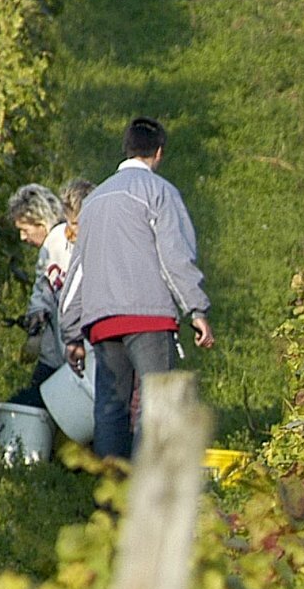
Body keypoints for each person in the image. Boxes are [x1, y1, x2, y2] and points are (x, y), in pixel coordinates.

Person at [61, 118, 214, 460]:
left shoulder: (94, 201)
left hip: (102, 321)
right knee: (156, 403)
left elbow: (78, 273)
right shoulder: (159, 192)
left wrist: (71, 334)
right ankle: (148, 482)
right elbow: (174, 257)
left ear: (126, 149)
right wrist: (196, 309)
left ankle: (112, 486)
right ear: (158, 152)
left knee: (111, 407)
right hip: (148, 318)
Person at [5, 183, 70, 409]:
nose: (23, 237)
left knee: (32, 406)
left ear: (41, 222)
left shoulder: (55, 245)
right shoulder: (65, 239)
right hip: (62, 350)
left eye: (25, 229)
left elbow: (43, 294)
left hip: (65, 354)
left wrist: (34, 336)